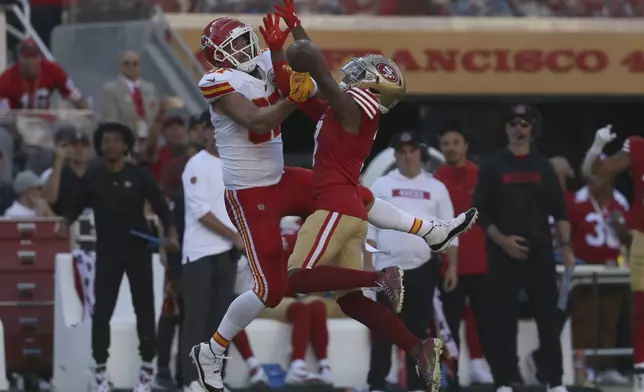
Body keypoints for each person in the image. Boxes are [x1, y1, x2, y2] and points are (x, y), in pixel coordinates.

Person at [190, 10, 476, 392]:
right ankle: (212, 349)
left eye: (245, 40)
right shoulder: (217, 80)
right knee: (270, 291)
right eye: (235, 45)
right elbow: (259, 120)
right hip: (249, 192)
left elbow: (297, 69)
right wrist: (291, 78)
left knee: (352, 195)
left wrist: (281, 47)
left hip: (279, 178)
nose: (245, 47)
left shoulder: (289, 77)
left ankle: (429, 232)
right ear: (219, 56)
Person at [58, 122, 179, 392]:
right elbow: (74, 207)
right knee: (101, 313)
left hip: (137, 252)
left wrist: (171, 234)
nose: (109, 144)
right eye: (105, 140)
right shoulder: (93, 176)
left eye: (115, 140)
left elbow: (162, 208)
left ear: (125, 146)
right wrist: (65, 221)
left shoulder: (140, 175)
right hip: (107, 254)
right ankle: (100, 372)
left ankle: (147, 371)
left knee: (145, 312)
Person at [473, 104, 574, 392]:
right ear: (506, 128)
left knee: (549, 319)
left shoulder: (543, 166)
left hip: (540, 254)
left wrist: (566, 247)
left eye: (525, 123)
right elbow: (480, 212)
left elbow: (561, 211)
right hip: (502, 254)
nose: (519, 128)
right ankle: (505, 379)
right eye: (514, 123)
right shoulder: (492, 165)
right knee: (502, 321)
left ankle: (554, 379)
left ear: (532, 129)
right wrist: (503, 241)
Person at [365, 131, 459, 392]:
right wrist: (366, 265)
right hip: (386, 269)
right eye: (402, 152)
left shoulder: (436, 188)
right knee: (384, 329)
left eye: (412, 150)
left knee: (418, 328)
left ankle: (418, 384)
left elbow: (450, 231)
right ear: (396, 156)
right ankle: (376, 383)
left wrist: (452, 266)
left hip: (423, 268)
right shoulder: (381, 186)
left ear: (421, 153)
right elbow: (369, 230)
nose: (407, 156)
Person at [180, 112, 245, 392]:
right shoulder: (196, 164)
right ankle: (190, 380)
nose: (216, 133)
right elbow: (201, 212)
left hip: (228, 254)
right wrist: (234, 236)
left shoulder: (235, 166)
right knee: (196, 319)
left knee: (220, 323)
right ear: (204, 133)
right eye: (211, 128)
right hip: (200, 253)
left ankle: (214, 381)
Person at [580, 125, 644, 392]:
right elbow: (594, 172)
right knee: (642, 309)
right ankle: (642, 376)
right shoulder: (639, 147)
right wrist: (597, 147)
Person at [434, 122, 494, 387]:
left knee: (485, 319)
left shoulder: (481, 175)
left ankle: (484, 367)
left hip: (481, 260)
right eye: (446, 143)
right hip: (449, 263)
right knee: (451, 323)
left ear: (466, 146)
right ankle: (452, 375)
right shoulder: (436, 179)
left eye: (455, 142)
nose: (450, 148)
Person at [0, 38, 87, 110]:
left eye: (34, 57)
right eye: (27, 57)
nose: (31, 62)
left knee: (67, 128)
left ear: (40, 57)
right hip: (15, 125)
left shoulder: (53, 70)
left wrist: (91, 117)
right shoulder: (6, 78)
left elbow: (74, 95)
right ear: (19, 58)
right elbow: (2, 115)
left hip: (44, 123)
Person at [41, 130, 93, 216]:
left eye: (84, 146)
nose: (79, 150)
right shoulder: (58, 174)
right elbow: (49, 199)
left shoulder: (97, 173)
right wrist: (58, 162)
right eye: (75, 146)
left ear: (90, 150)